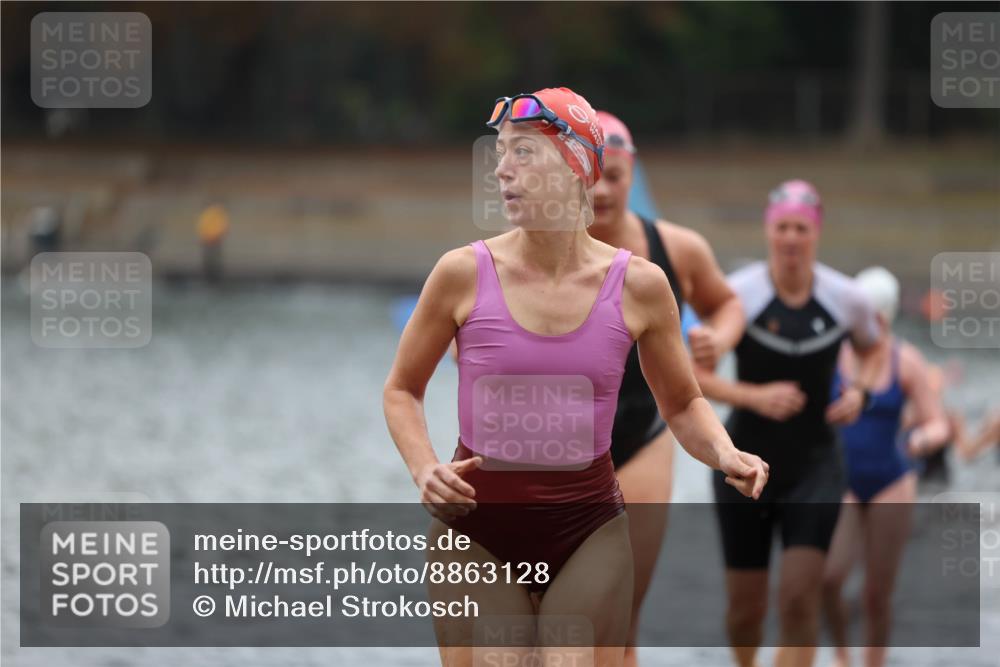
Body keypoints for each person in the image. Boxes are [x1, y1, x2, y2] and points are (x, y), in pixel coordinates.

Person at [382, 87, 769, 667]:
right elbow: (402, 391)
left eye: (524, 154)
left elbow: (683, 403)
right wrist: (424, 468)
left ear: (577, 167)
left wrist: (725, 451)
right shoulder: (461, 273)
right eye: (500, 155)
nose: (503, 171)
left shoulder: (640, 284)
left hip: (589, 526)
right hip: (478, 527)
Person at [694, 179, 882, 667]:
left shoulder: (848, 298)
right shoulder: (739, 295)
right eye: (782, 228)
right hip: (746, 464)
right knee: (745, 612)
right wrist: (753, 395)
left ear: (816, 232)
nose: (791, 238)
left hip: (816, 464)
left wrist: (860, 389)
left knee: (799, 597)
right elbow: (695, 376)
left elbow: (874, 345)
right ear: (768, 230)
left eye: (801, 228)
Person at [587, 110, 744, 667]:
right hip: (560, 440)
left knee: (622, 617)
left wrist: (717, 340)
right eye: (593, 172)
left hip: (646, 431)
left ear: (634, 174)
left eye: (617, 175)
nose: (603, 189)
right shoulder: (541, 250)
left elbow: (726, 304)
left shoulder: (676, 248)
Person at [820, 266, 950, 667]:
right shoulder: (834, 354)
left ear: (886, 316)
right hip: (845, 481)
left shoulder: (905, 361)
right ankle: (842, 656)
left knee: (876, 594)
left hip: (892, 481)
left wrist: (921, 439)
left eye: (876, 316)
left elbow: (938, 422)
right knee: (829, 580)